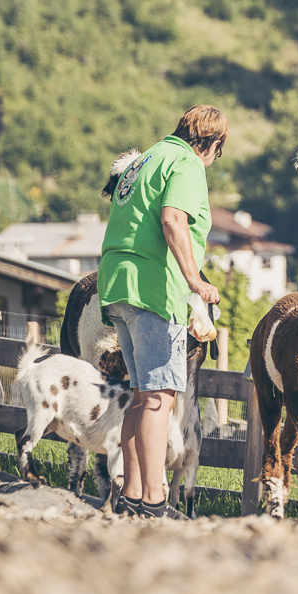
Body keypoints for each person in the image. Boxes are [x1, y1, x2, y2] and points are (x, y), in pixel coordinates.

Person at [96, 105, 225, 519]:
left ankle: (132, 495)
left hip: (118, 283)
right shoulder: (187, 162)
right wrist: (196, 282)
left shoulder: (147, 158)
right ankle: (154, 499)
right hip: (154, 289)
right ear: (213, 143)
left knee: (140, 396)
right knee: (158, 400)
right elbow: (173, 220)